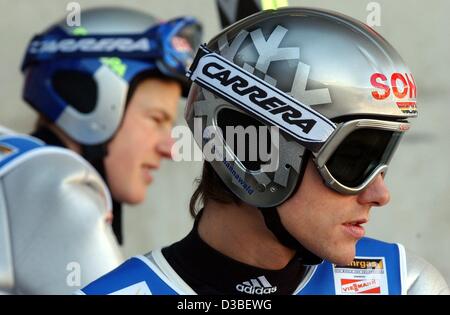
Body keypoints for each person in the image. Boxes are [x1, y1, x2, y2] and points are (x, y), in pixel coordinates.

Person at [80, 8, 449, 295]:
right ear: (254, 153)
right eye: (353, 161)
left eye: (381, 160)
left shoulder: (402, 282)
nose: (379, 194)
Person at [0, 7, 202, 294]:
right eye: (156, 119)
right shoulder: (58, 188)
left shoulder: (15, 168)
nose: (169, 147)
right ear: (93, 102)